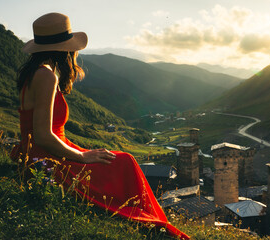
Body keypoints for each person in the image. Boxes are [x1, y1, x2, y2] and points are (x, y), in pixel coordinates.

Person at [16, 12, 189, 239]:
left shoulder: (34, 73)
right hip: (48, 159)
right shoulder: (47, 76)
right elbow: (43, 136)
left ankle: (148, 220)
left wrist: (80, 152)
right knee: (124, 161)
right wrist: (82, 157)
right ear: (64, 47)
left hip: (40, 154)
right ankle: (149, 221)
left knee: (118, 159)